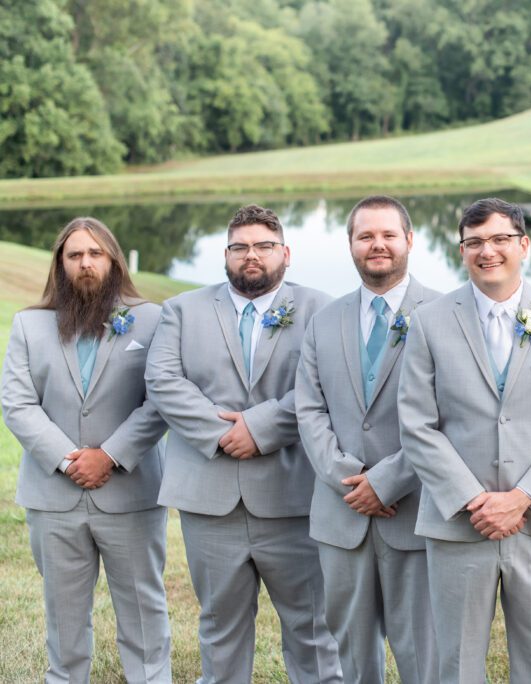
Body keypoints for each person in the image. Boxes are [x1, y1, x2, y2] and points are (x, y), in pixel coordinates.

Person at [397, 197, 531, 683]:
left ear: (523, 244)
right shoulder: (430, 322)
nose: (488, 251)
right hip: (460, 525)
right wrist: (473, 500)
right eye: (475, 242)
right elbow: (418, 424)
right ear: (462, 251)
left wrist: (522, 498)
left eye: (500, 239)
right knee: (457, 667)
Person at [145, 205, 340, 683]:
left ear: (286, 253)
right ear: (226, 255)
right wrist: (225, 435)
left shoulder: (322, 310)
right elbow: (163, 381)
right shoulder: (182, 310)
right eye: (240, 247)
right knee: (218, 626)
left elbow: (328, 386)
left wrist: (261, 427)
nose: (250, 256)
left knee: (314, 626)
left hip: (294, 498)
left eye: (263, 246)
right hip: (209, 501)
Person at [1, 217, 171, 683]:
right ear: (60, 263)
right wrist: (69, 459)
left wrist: (110, 455)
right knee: (64, 615)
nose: (86, 263)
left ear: (113, 259)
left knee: (143, 609)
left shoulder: (153, 319)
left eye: (95, 253)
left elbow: (161, 401)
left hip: (132, 494)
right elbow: (16, 404)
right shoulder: (29, 325)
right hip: (53, 496)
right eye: (75, 255)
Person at [296, 195, 440, 683]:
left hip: (416, 510)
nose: (377, 245)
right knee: (352, 654)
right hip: (342, 513)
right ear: (351, 245)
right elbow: (309, 409)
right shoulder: (324, 321)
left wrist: (389, 481)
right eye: (365, 236)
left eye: (387, 235)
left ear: (409, 240)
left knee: (423, 651)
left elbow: (453, 416)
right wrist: (348, 478)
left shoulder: (446, 315)